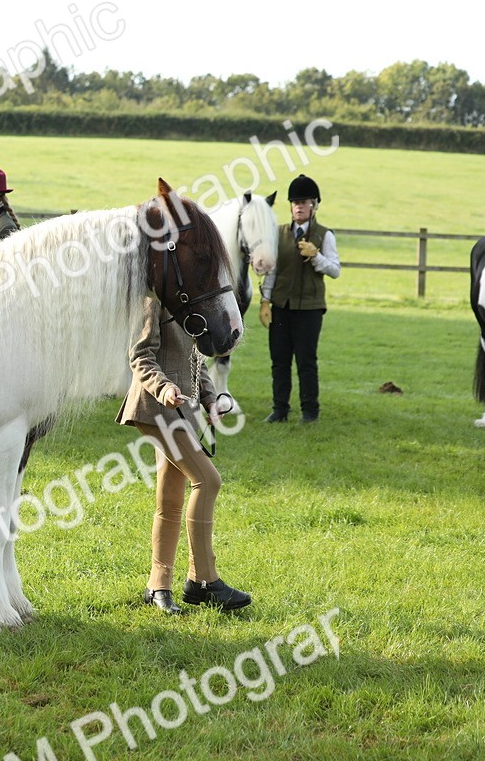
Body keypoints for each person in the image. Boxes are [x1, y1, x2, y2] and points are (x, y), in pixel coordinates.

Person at [117, 295, 252, 614]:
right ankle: (204, 580)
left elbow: (195, 360)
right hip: (155, 408)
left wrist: (209, 399)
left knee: (170, 500)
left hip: (181, 411)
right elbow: (140, 356)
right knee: (208, 481)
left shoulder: (190, 298)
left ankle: (158, 585)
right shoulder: (153, 299)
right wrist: (163, 388)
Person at [258, 174, 341, 423]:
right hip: (281, 307)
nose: (298, 206)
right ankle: (280, 409)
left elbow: (335, 270)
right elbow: (271, 272)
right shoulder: (278, 233)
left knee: (306, 362)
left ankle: (309, 411)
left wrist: (316, 257)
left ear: (314, 205)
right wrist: (265, 300)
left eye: (304, 202)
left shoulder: (325, 236)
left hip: (310, 309)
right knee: (279, 362)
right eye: (295, 202)